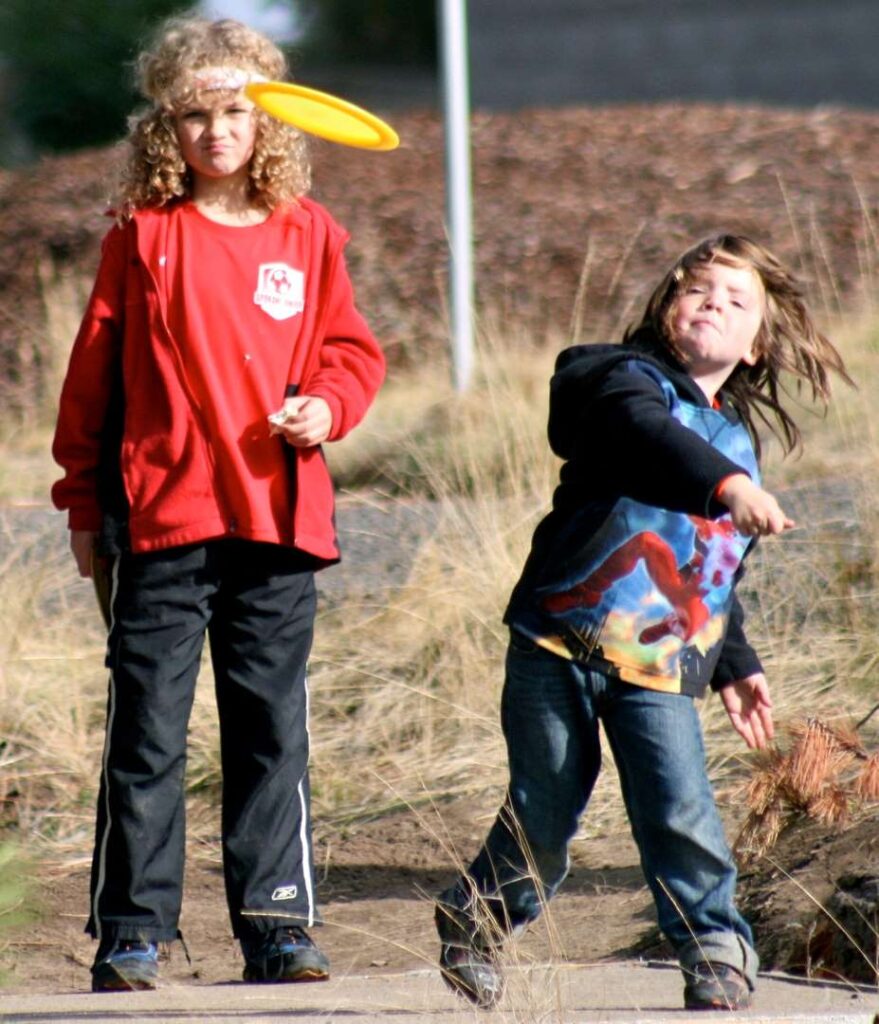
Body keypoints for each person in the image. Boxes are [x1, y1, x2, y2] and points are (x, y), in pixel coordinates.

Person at [51, 16, 385, 993]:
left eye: (235, 110)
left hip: (280, 523)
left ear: (270, 116)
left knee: (270, 727)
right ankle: (134, 932)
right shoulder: (142, 237)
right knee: (147, 731)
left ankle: (278, 924)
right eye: (193, 114)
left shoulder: (309, 233)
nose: (216, 131)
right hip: (159, 520)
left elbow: (350, 352)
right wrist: (82, 504)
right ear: (165, 126)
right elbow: (93, 383)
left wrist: (326, 405)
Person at [434, 235, 850, 1011]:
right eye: (697, 291)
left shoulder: (736, 443)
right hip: (559, 640)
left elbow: (715, 565)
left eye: (734, 301)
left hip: (660, 660)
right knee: (546, 809)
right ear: (665, 307)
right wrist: (724, 484)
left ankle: (712, 949)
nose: (711, 306)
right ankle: (478, 919)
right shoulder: (615, 380)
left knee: (678, 804)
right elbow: (642, 432)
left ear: (757, 341)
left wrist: (732, 662)